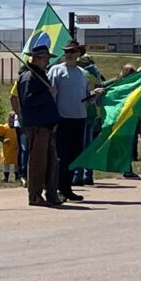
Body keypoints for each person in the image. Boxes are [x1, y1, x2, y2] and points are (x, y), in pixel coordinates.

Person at [48, 40, 104, 202]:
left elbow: (85, 99)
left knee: (74, 156)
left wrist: (94, 94)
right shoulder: (56, 70)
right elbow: (51, 95)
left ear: (79, 53)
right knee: (61, 156)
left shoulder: (82, 73)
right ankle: (57, 188)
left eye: (72, 51)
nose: (69, 54)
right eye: (67, 51)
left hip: (79, 119)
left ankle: (67, 188)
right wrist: (53, 119)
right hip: (62, 119)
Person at [17, 45, 62, 206]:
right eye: (45, 59)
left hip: (46, 124)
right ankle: (35, 195)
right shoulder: (29, 77)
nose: (47, 62)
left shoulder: (39, 75)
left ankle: (51, 193)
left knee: (51, 161)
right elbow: (28, 101)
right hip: (37, 125)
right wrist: (47, 94)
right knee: (38, 162)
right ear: (36, 59)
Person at [73, 54, 103, 186]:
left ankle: (78, 176)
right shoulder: (95, 75)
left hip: (83, 111)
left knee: (80, 145)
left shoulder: (82, 74)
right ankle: (89, 175)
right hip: (94, 112)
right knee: (89, 145)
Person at [0, 112, 19, 182]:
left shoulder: (17, 128)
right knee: (6, 163)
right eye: (10, 119)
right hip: (7, 149)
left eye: (13, 119)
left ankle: (17, 177)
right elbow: (0, 137)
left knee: (17, 163)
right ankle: (5, 177)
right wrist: (3, 140)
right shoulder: (4, 127)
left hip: (16, 148)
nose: (11, 121)